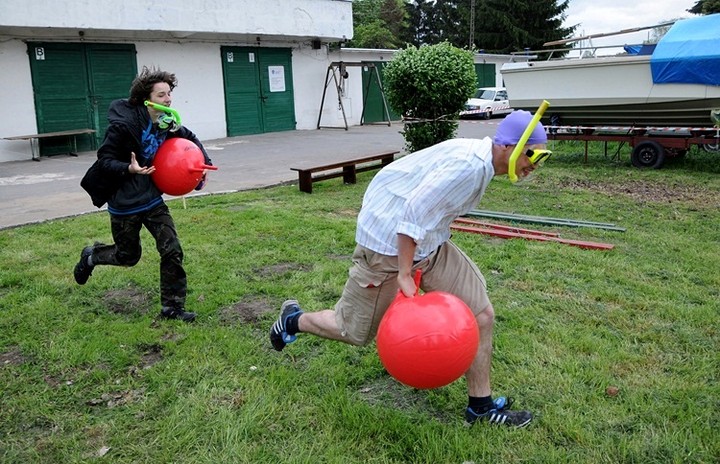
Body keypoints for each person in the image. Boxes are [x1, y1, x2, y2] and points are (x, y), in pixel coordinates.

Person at [269, 110, 551, 428]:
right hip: (388, 248)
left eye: (542, 157)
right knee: (353, 330)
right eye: (533, 155)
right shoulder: (468, 167)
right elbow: (412, 213)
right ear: (509, 146)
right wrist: (405, 273)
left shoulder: (483, 162)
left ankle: (480, 408)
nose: (534, 165)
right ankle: (293, 321)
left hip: (428, 244)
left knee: (481, 314)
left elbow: (427, 206)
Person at [74, 66, 212, 322]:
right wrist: (129, 168)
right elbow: (104, 159)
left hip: (151, 199)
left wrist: (204, 165)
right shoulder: (124, 126)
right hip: (124, 201)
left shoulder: (165, 122)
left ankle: (172, 309)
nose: (168, 99)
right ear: (145, 99)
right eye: (162, 95)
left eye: (169, 94)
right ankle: (91, 257)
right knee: (128, 257)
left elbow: (189, 138)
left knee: (172, 250)